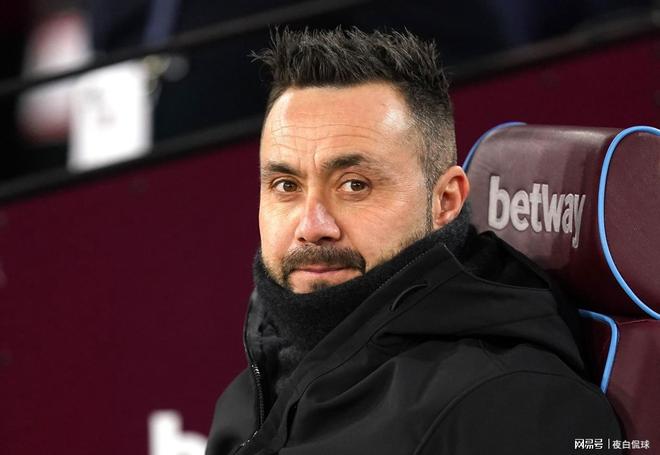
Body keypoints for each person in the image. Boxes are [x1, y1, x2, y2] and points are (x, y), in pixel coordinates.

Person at [206, 27, 621, 455]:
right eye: (286, 185)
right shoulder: (262, 371)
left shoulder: (510, 403)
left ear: (446, 201)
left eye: (354, 185)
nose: (312, 226)